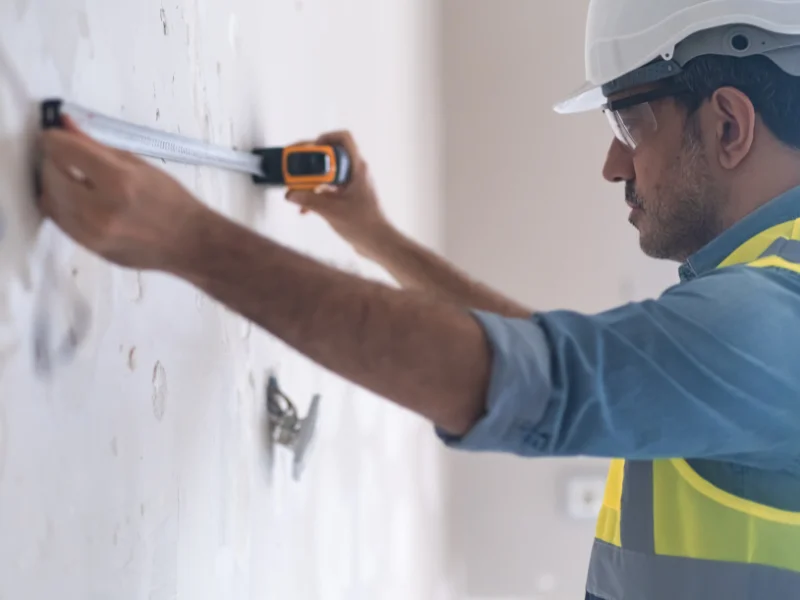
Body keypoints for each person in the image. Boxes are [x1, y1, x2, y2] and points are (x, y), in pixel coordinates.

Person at [35, 0, 800, 597]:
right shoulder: (763, 296)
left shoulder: (772, 323)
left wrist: (189, 241)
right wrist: (374, 236)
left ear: (729, 124)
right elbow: (545, 358)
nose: (611, 164)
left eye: (628, 123)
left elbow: (531, 381)